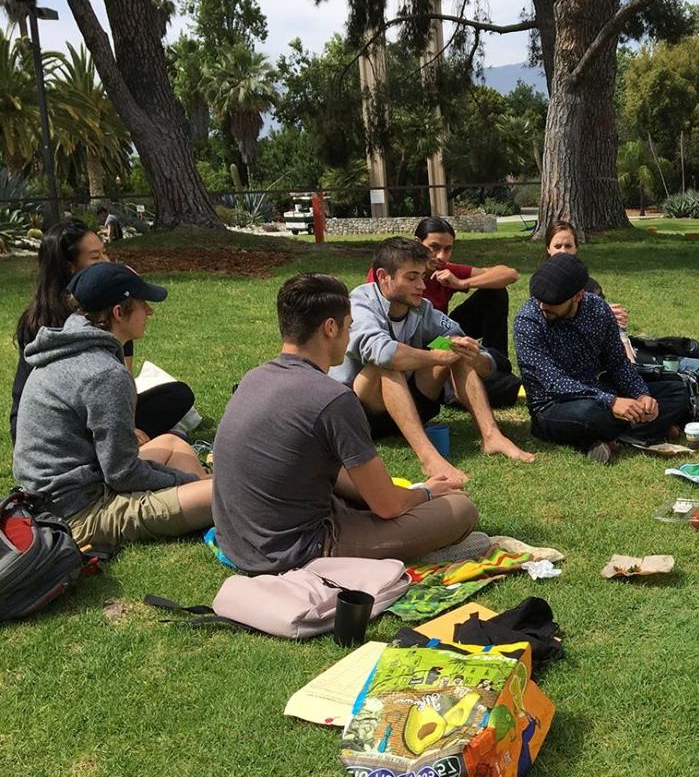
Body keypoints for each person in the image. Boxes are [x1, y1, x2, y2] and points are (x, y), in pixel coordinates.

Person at [213, 274, 477, 574]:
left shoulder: (254, 377)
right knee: (460, 509)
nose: (349, 336)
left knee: (377, 493)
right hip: (294, 550)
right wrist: (427, 492)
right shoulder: (332, 398)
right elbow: (387, 506)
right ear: (330, 328)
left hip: (237, 539)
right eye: (348, 327)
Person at [13, 262, 213, 547]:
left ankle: (198, 506)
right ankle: (203, 502)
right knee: (224, 492)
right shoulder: (104, 373)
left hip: (49, 497)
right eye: (143, 305)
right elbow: (123, 474)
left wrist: (184, 480)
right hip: (79, 513)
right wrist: (184, 481)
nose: (150, 312)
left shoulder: (66, 347)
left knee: (172, 442)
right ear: (118, 313)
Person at [331, 237, 534, 482]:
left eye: (422, 276)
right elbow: (381, 351)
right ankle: (430, 459)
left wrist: (475, 357)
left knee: (455, 348)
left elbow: (457, 337)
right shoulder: (359, 303)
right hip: (364, 413)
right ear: (384, 277)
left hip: (411, 403)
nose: (422, 285)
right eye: (412, 277)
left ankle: (491, 436)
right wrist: (434, 356)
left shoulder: (420, 308)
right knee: (387, 364)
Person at [11, 219, 195, 443]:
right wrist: (121, 434)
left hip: (96, 408)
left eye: (105, 253)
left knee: (177, 395)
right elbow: (54, 401)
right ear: (70, 267)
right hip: (55, 428)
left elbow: (122, 386)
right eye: (96, 257)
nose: (107, 261)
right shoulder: (45, 323)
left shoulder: (110, 313)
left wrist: (124, 422)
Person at [514, 252, 691, 463]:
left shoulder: (598, 309)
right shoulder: (528, 321)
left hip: (600, 389)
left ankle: (616, 437)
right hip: (554, 404)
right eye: (540, 300)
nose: (543, 306)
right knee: (590, 414)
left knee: (676, 390)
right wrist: (612, 402)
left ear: (577, 296)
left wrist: (641, 395)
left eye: (552, 302)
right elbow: (553, 382)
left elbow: (617, 362)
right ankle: (641, 430)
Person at [365, 217, 521, 406]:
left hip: (439, 334)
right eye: (434, 247)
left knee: (495, 293)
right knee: (500, 388)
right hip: (408, 344)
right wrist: (438, 355)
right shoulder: (390, 276)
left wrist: (462, 283)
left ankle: (493, 365)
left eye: (448, 249)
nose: (441, 256)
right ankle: (451, 387)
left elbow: (509, 273)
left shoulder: (444, 270)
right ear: (417, 243)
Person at [545, 220, 699, 375]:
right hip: (578, 358)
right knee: (655, 363)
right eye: (557, 246)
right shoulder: (544, 285)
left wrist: (617, 324)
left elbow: (612, 327)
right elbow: (555, 328)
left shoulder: (588, 284)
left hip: (607, 347)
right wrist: (602, 314)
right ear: (548, 249)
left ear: (576, 249)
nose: (563, 251)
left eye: (568, 246)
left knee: (660, 358)